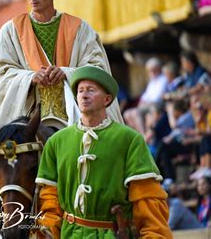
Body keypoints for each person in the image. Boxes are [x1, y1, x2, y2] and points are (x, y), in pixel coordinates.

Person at [0, 0, 123, 233]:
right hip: (22, 117)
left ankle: (122, 216)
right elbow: (0, 73)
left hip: (71, 115)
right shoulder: (11, 30)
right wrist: (28, 77)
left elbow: (96, 68)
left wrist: (67, 72)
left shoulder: (79, 28)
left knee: (111, 152)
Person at [36, 66, 171, 238]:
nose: (84, 95)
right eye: (80, 91)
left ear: (106, 99)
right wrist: (48, 231)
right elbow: (49, 199)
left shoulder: (130, 139)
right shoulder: (56, 142)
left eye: (91, 90)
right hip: (69, 234)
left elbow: (147, 199)